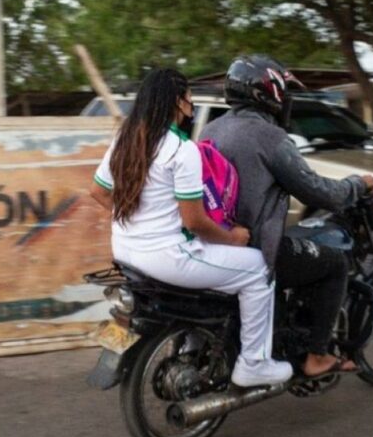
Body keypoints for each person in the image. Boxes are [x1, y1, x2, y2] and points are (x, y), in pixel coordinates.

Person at [89, 67, 292, 388]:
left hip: (126, 254)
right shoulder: (181, 151)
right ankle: (254, 362)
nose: (191, 104)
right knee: (257, 269)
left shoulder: (124, 140)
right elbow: (195, 222)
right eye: (189, 97)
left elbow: (99, 192)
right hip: (168, 257)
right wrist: (234, 237)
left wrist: (138, 214)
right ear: (177, 102)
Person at [201, 55, 373, 378]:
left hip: (215, 241)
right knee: (334, 263)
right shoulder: (272, 138)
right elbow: (316, 192)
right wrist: (356, 185)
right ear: (269, 93)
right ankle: (316, 356)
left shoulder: (211, 129)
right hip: (255, 246)